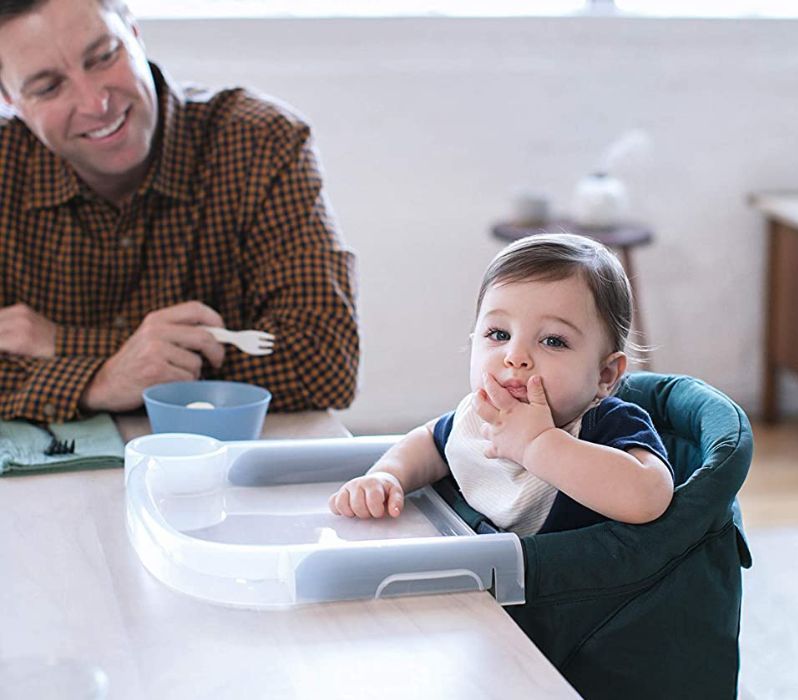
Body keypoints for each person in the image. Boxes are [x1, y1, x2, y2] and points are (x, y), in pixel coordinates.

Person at [0, 0, 359, 423]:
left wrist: (66, 345)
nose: (96, 103)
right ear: (9, 99)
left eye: (103, 57)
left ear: (134, 34)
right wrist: (100, 381)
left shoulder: (260, 143)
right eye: (48, 87)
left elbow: (324, 360)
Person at [329, 233, 673, 536]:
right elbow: (430, 443)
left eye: (553, 341)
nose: (515, 356)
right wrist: (388, 477)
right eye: (499, 334)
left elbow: (650, 498)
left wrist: (537, 444)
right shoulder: (482, 416)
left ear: (605, 375)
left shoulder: (607, 424)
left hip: (571, 599)